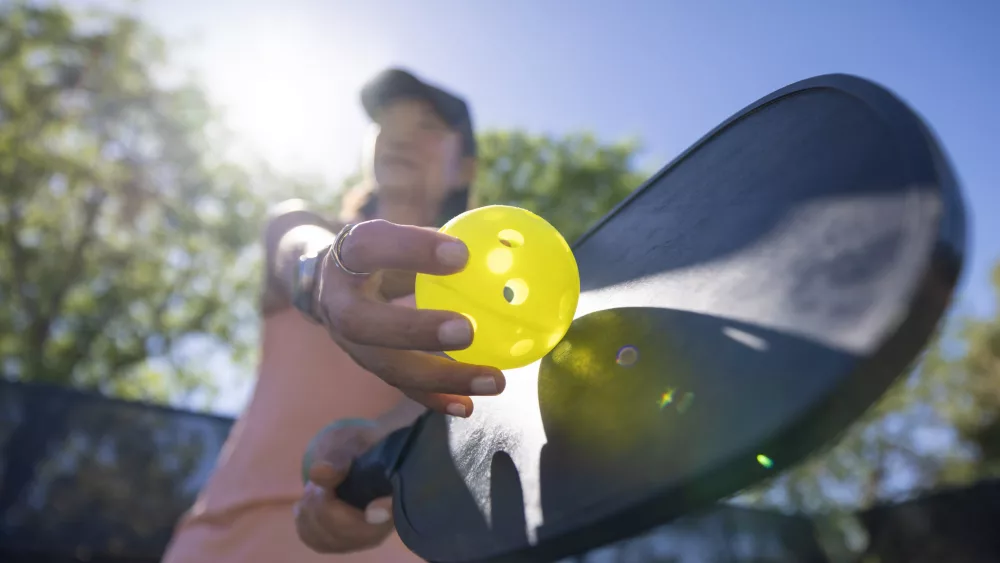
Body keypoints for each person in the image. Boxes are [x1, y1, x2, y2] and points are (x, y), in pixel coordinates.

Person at [162, 68, 505, 562]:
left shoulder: (479, 295)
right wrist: (324, 272)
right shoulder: (305, 225)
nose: (401, 135)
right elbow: (295, 246)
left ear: (465, 169)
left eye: (427, 126)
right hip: (222, 542)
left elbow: (451, 405)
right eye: (388, 123)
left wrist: (384, 443)